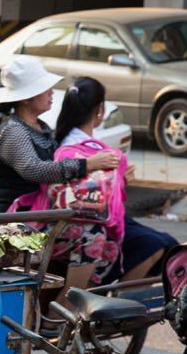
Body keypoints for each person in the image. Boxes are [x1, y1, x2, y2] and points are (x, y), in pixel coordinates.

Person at [0, 58, 122, 287]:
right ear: (27, 97)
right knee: (92, 234)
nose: (52, 93)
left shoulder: (41, 128)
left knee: (108, 231)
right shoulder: (13, 132)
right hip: (15, 219)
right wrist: (86, 165)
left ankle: (79, 304)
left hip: (41, 214)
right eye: (44, 89)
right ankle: (62, 311)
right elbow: (34, 170)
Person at [57, 77, 176, 284]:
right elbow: (95, 196)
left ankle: (123, 304)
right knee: (155, 245)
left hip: (102, 217)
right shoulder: (83, 150)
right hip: (94, 220)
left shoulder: (71, 144)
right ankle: (117, 304)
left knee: (167, 244)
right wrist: (119, 179)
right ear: (100, 110)